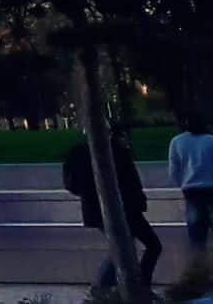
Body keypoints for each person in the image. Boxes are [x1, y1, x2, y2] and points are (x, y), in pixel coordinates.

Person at [66, 127, 162, 295]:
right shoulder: (116, 152)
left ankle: (116, 288)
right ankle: (111, 287)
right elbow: (131, 181)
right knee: (142, 246)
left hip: (98, 210)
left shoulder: (80, 153)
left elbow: (71, 184)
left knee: (125, 247)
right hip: (126, 208)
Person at [174, 111, 213, 270]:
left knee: (197, 238)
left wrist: (182, 184)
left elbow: (174, 169)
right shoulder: (210, 141)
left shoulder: (177, 142)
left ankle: (199, 273)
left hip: (191, 191)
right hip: (211, 189)